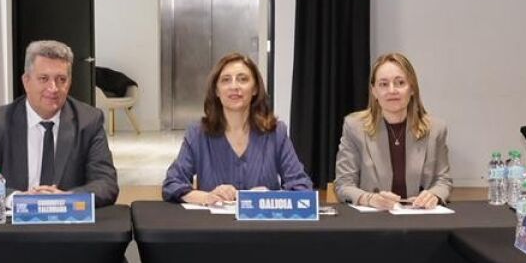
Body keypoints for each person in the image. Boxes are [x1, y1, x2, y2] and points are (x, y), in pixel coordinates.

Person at [0, 40, 119, 209]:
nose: (53, 88)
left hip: (68, 220)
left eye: (61, 79)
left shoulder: (89, 121)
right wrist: (18, 199)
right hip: (14, 221)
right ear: (26, 81)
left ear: (69, 82)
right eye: (44, 79)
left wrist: (67, 198)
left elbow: (106, 183)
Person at [163, 53, 312, 204]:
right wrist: (206, 197)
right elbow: (172, 184)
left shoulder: (275, 133)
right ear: (216, 91)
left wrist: (267, 198)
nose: (234, 86)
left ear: (255, 89)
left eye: (243, 79)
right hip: (213, 219)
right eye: (226, 80)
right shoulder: (198, 134)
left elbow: (302, 187)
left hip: (262, 219)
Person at [333, 52, 451, 209]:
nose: (392, 90)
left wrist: (434, 195)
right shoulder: (354, 127)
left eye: (400, 83)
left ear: (412, 88)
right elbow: (343, 184)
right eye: (383, 84)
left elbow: (443, 181)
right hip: (373, 218)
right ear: (374, 91)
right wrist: (370, 199)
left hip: (420, 216)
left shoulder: (436, 129)